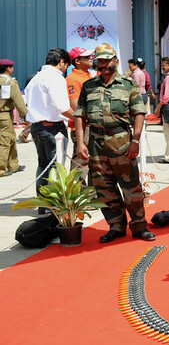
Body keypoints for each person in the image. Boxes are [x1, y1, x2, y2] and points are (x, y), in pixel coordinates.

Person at [74, 43, 155, 242]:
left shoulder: (128, 84)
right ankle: (116, 226)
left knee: (131, 187)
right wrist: (80, 144)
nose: (103, 64)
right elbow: (80, 115)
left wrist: (135, 140)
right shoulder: (89, 86)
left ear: (116, 61)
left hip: (122, 143)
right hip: (96, 145)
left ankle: (139, 227)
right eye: (100, 61)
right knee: (104, 188)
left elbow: (139, 113)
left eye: (107, 60)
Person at [24, 48, 73, 201]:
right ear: (61, 62)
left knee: (43, 165)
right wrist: (78, 118)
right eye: (66, 66)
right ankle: (53, 205)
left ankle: (43, 203)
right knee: (55, 167)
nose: (65, 69)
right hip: (53, 128)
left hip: (37, 127)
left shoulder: (35, 78)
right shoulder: (56, 77)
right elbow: (61, 106)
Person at [65, 47, 94, 181]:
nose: (90, 58)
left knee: (94, 163)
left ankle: (92, 192)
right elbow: (76, 105)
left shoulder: (89, 75)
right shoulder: (72, 79)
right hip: (83, 127)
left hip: (92, 125)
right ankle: (77, 191)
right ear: (77, 61)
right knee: (81, 163)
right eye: (86, 57)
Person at [0, 58, 27, 177]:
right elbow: (18, 100)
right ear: (8, 69)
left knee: (11, 138)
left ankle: (13, 165)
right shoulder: (10, 82)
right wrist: (25, 114)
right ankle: (1, 169)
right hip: (5, 114)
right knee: (5, 142)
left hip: (4, 114)